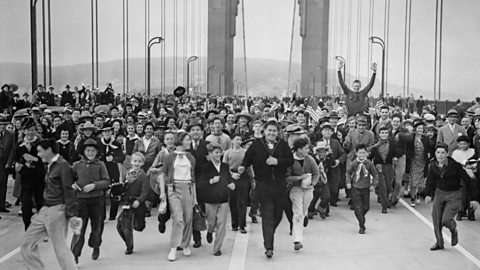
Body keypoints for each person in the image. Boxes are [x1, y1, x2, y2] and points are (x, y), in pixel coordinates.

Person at [21, 138, 81, 270]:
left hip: (57, 211)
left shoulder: (63, 166)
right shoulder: (50, 164)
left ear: (49, 150)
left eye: (40, 151)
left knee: (60, 249)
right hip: (45, 210)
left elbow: (69, 191)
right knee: (26, 244)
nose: (39, 154)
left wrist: (71, 215)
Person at [239, 120, 293, 259]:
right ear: (264, 131)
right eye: (269, 130)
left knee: (278, 215)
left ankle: (269, 233)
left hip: (280, 186)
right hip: (263, 185)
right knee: (267, 215)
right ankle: (269, 246)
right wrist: (242, 167)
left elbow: (290, 160)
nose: (271, 133)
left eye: (274, 131)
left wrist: (277, 161)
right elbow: (247, 159)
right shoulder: (256, 145)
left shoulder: (283, 145)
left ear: (278, 133)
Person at [422, 143, 478, 251]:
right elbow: (430, 181)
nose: (440, 155)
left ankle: (453, 229)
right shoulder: (433, 165)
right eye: (438, 152)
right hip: (440, 193)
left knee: (446, 220)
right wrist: (428, 194)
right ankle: (439, 243)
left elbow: (468, 180)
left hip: (454, 194)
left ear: (447, 154)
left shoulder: (455, 165)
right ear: (435, 153)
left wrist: (474, 198)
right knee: (436, 218)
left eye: (443, 153)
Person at [158, 132, 197, 262]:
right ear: (180, 141)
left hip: (188, 188)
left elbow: (193, 180)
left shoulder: (191, 158)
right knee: (178, 218)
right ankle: (174, 247)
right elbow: (162, 174)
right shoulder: (169, 157)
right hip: (173, 188)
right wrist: (163, 193)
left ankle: (185, 244)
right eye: (187, 140)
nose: (190, 142)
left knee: (188, 218)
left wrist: (195, 197)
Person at [71, 139, 110, 263]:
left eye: (93, 151)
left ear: (97, 152)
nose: (90, 153)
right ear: (83, 151)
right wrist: (72, 185)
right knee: (79, 229)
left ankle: (96, 245)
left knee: (97, 227)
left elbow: (106, 181)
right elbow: (68, 179)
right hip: (81, 201)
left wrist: (94, 185)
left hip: (97, 200)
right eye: (88, 150)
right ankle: (75, 255)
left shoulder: (100, 164)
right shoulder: (77, 165)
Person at [198, 142, 235, 256]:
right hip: (210, 200)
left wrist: (231, 184)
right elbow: (200, 184)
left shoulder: (225, 166)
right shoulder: (205, 167)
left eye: (220, 152)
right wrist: (210, 181)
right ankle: (210, 230)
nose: (218, 154)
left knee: (222, 224)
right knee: (212, 222)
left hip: (223, 198)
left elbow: (228, 178)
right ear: (210, 154)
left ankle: (217, 248)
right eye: (216, 152)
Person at [286, 137, 319, 251]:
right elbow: (286, 177)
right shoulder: (290, 160)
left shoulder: (310, 159)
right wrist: (299, 178)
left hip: (308, 189)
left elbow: (316, 173)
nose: (308, 150)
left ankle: (304, 215)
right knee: (297, 213)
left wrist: (313, 183)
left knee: (303, 211)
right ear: (299, 149)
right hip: (295, 189)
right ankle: (297, 240)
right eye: (305, 148)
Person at [116, 152, 150, 255]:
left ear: (143, 163)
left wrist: (139, 200)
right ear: (131, 162)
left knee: (139, 226)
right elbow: (123, 187)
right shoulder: (127, 173)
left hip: (138, 203)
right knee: (121, 225)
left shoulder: (143, 176)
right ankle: (129, 245)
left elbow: (145, 192)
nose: (137, 163)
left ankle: (137, 224)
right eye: (135, 161)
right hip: (128, 202)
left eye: (139, 161)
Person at [15, 117, 45, 229]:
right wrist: (18, 167)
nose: (30, 132)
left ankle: (43, 228)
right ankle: (28, 228)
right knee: (26, 207)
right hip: (26, 180)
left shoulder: (41, 144)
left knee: (40, 205)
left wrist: (35, 159)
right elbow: (17, 160)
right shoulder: (19, 145)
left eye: (32, 129)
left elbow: (47, 161)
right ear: (23, 131)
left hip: (39, 179)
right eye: (27, 130)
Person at [346, 144, 378, 234]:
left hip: (365, 188)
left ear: (367, 153)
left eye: (363, 153)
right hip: (356, 187)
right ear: (356, 153)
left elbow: (375, 174)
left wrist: (373, 185)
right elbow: (348, 173)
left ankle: (360, 217)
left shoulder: (369, 163)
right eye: (360, 153)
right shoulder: (353, 163)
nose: (361, 155)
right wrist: (348, 182)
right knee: (357, 207)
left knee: (366, 207)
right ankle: (362, 226)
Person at [223, 134, 252, 233]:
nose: (239, 142)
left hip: (242, 177)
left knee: (242, 201)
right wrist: (231, 175)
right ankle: (234, 223)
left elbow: (249, 166)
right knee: (232, 201)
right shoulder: (227, 153)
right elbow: (224, 167)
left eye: (240, 140)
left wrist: (252, 179)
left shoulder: (245, 152)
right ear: (232, 141)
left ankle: (242, 225)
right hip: (231, 177)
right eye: (237, 139)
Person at [187, 121, 210, 248]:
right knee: (193, 210)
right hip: (189, 181)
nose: (195, 132)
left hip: (204, 182)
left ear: (202, 132)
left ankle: (209, 229)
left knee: (205, 209)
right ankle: (197, 238)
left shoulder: (207, 145)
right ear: (189, 133)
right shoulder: (185, 146)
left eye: (198, 130)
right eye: (193, 130)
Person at [451, 135, 477, 221]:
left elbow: (476, 162)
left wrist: (470, 166)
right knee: (462, 195)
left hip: (472, 175)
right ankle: (461, 212)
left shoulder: (473, 151)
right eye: (460, 144)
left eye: (464, 144)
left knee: (472, 195)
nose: (462, 145)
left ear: (468, 144)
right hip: (461, 176)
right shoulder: (455, 153)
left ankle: (471, 212)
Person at [371, 126, 395, 213]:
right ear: (379, 134)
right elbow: (370, 157)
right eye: (382, 133)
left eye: (386, 133)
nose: (384, 134)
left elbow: (397, 153)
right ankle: (384, 206)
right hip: (379, 166)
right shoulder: (375, 146)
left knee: (389, 185)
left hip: (389, 167)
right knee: (383, 186)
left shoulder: (392, 144)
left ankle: (387, 199)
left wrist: (395, 157)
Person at [408, 121, 430, 207]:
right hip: (414, 161)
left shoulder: (425, 138)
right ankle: (412, 197)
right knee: (414, 181)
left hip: (423, 162)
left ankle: (417, 193)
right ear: (415, 129)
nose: (420, 130)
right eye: (419, 128)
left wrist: (428, 155)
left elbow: (429, 148)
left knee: (421, 183)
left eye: (422, 128)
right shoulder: (411, 138)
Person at [0, 115, 15, 214]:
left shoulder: (10, 135)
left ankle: (1, 205)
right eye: (0, 124)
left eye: (3, 125)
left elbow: (12, 150)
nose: (1, 126)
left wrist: (9, 162)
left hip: (4, 163)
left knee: (3, 184)